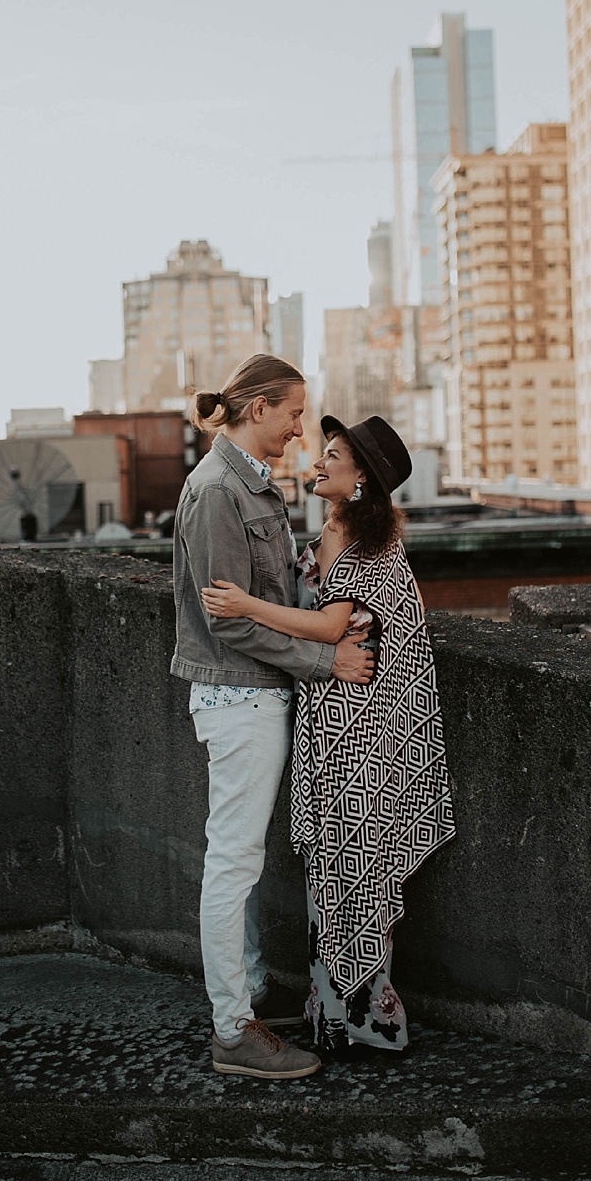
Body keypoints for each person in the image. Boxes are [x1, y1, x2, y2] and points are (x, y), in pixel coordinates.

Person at [201, 413, 456, 1056]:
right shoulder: (341, 529)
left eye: (334, 455)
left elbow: (329, 626)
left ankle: (362, 1022)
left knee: (353, 864)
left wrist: (244, 605)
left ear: (361, 478)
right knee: (338, 866)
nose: (318, 461)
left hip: (357, 724)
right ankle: (336, 1016)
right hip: (334, 710)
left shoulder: (360, 540)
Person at [171, 353, 376, 1081]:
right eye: (292, 414)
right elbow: (228, 621)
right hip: (239, 696)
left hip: (258, 694)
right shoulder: (216, 491)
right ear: (257, 408)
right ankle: (232, 1029)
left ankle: (251, 995)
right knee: (232, 863)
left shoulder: (250, 484)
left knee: (244, 862)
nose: (299, 429)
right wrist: (325, 661)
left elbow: (269, 592)